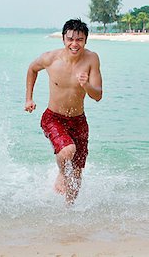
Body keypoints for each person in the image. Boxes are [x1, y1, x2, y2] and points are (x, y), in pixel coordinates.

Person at [25, 19, 103, 205]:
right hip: (53, 117)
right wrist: (29, 98)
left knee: (76, 172)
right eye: (70, 39)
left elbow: (98, 95)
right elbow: (32, 69)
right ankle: (61, 172)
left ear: (85, 41)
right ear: (63, 39)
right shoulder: (50, 58)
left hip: (79, 120)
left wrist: (86, 85)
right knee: (68, 150)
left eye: (80, 40)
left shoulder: (91, 59)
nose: (74, 44)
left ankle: (69, 210)